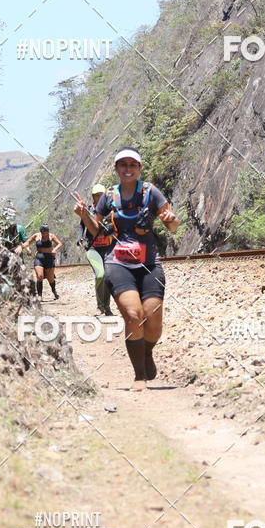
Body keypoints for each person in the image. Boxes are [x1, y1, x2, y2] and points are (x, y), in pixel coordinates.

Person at [73, 148, 179, 390]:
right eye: (123, 165)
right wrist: (84, 214)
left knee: (153, 321)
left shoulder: (150, 192)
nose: (128, 169)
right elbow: (96, 230)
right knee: (133, 315)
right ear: (116, 169)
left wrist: (170, 219)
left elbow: (173, 225)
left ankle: (147, 352)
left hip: (149, 263)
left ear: (139, 168)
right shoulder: (108, 196)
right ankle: (139, 375)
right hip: (117, 263)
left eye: (133, 165)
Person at [77, 184, 115, 316]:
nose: (100, 198)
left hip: (108, 249)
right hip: (93, 248)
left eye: (102, 195)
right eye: (97, 195)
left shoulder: (110, 210)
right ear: (93, 197)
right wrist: (80, 238)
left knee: (108, 277)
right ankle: (100, 306)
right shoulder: (88, 210)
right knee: (100, 275)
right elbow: (82, 225)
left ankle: (107, 307)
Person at [21, 224, 63, 300]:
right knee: (40, 276)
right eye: (44, 233)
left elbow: (59, 244)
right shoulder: (36, 236)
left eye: (47, 232)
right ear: (41, 232)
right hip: (39, 258)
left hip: (49, 258)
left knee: (50, 279)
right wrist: (21, 247)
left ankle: (54, 291)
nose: (46, 234)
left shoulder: (51, 236)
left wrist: (55, 249)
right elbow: (28, 242)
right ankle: (40, 295)